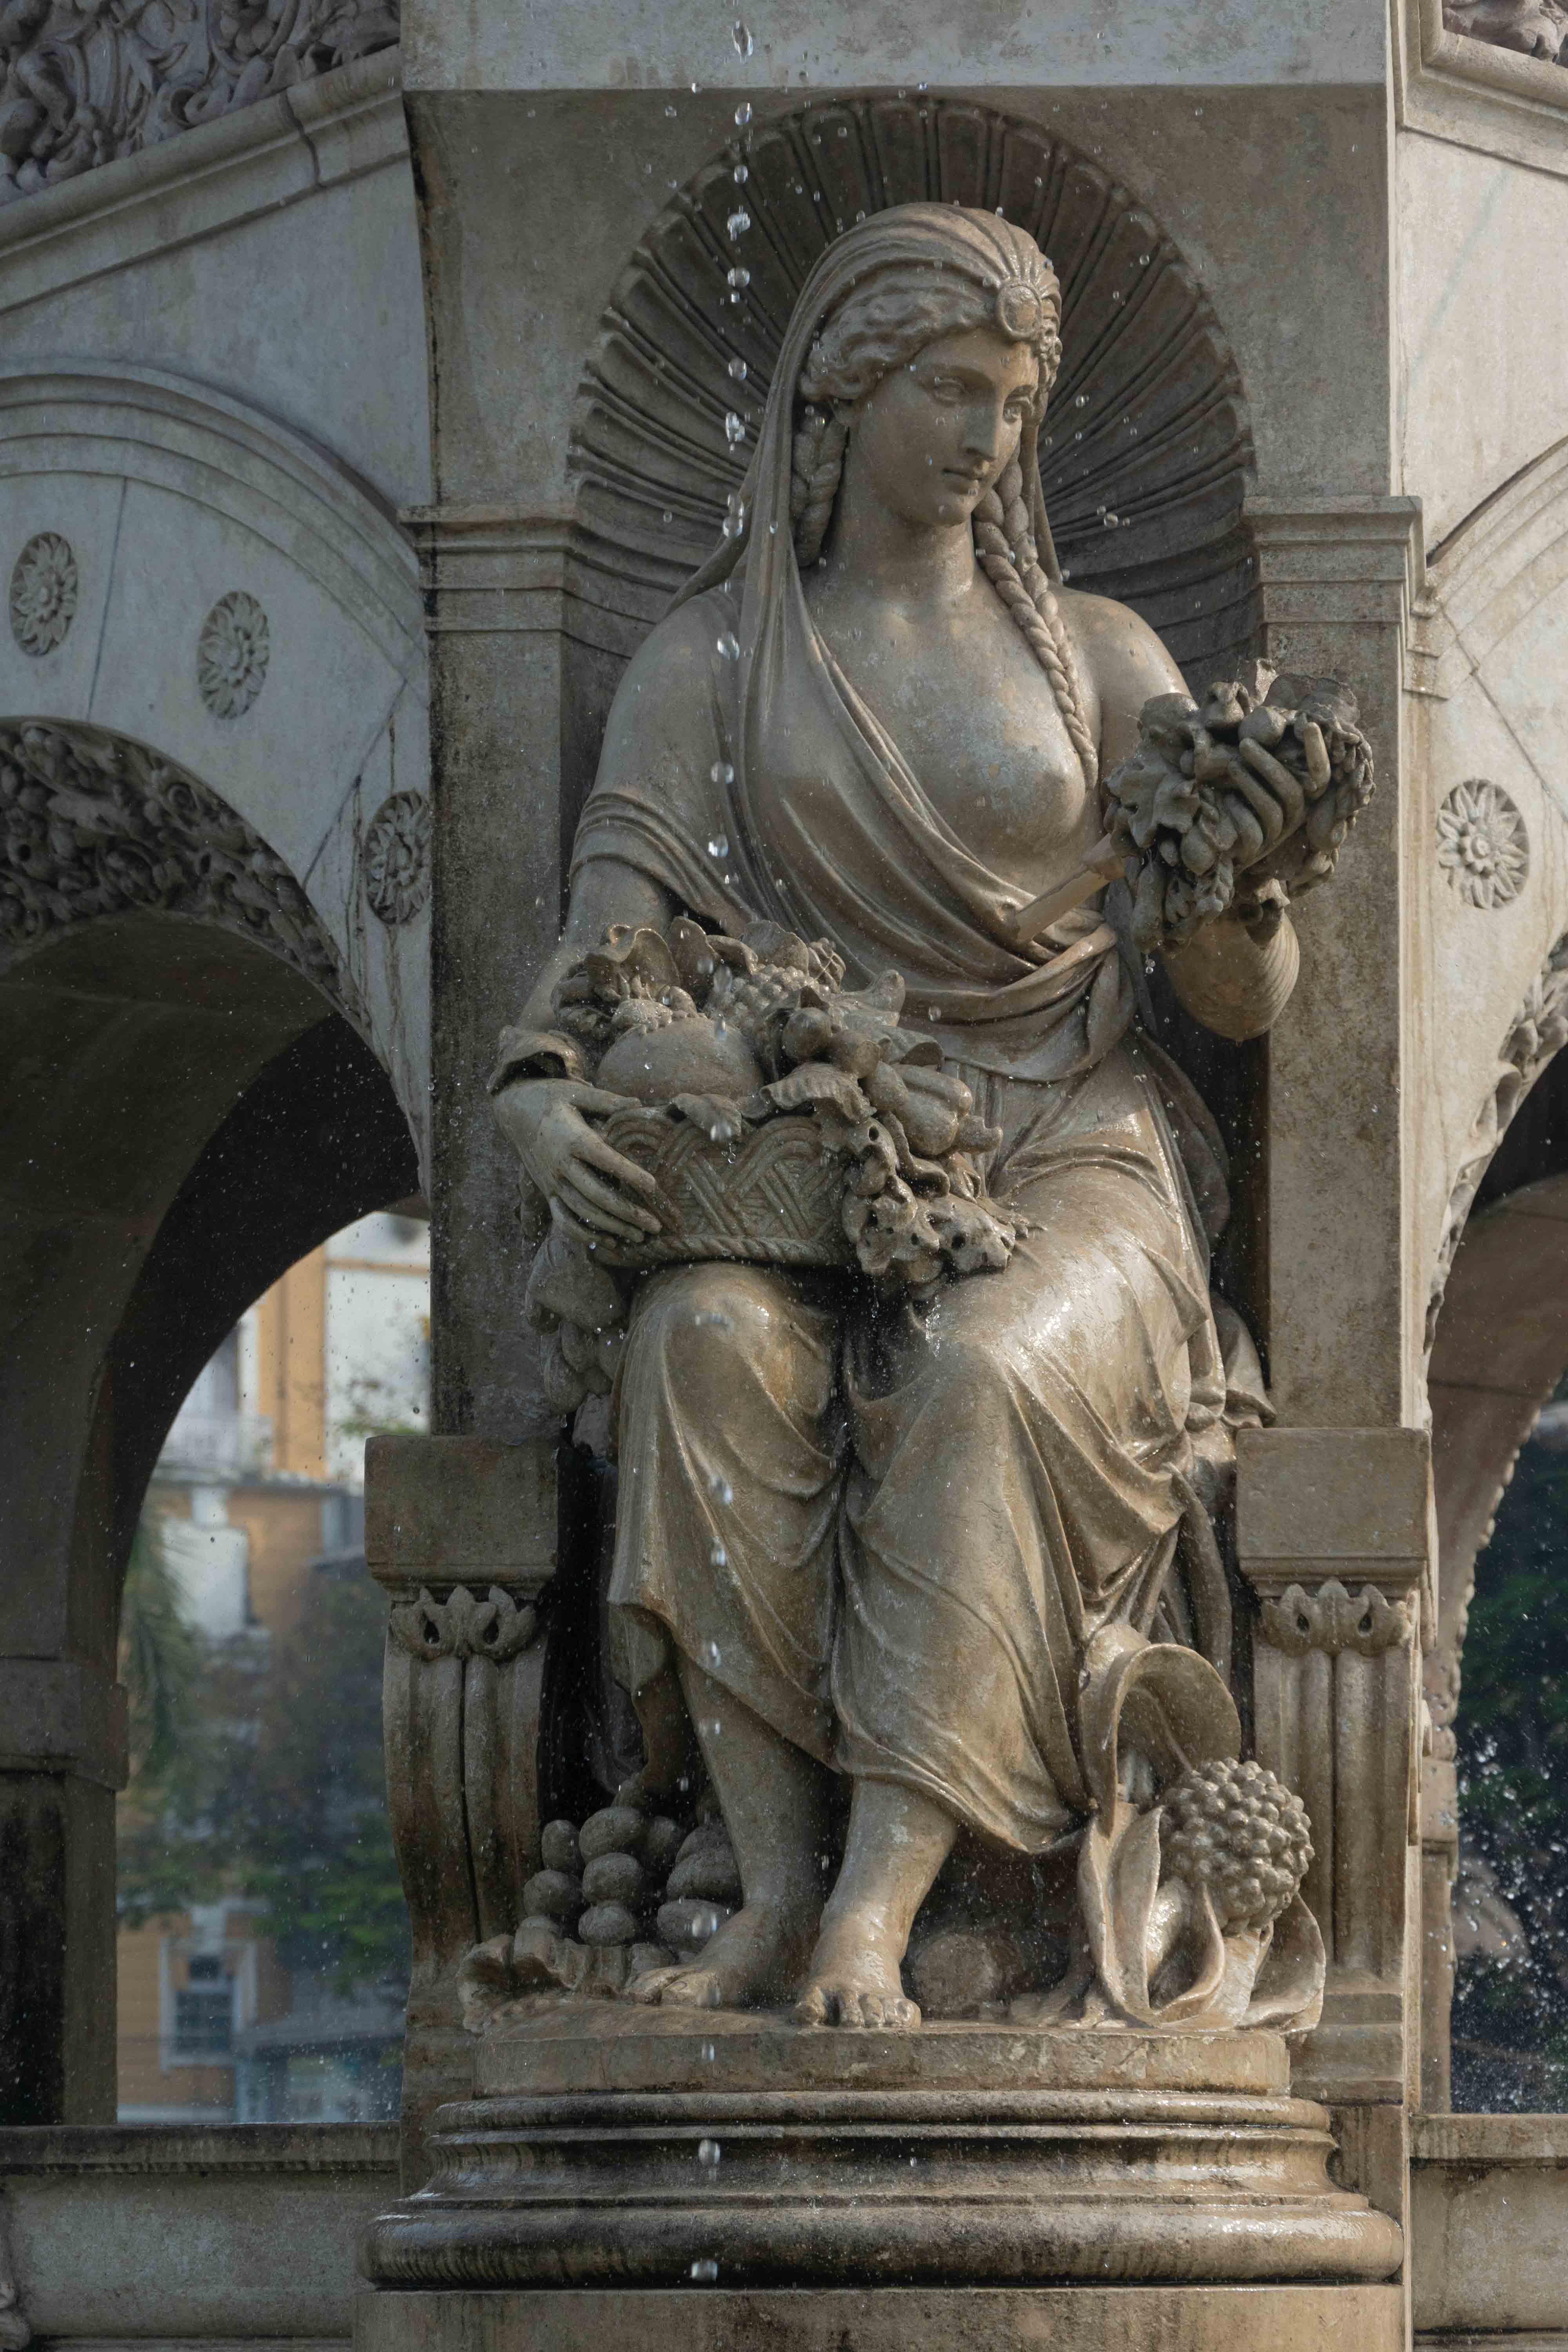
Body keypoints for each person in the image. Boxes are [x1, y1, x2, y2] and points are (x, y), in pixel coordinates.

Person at [492, 205, 1298, 2027]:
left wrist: (1244, 888)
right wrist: (538, 1103)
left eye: (1013, 402)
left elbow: (1243, 996)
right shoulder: (706, 668)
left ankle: (880, 1906)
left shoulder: (1101, 658)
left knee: (979, 1370)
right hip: (809, 1166)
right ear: (840, 396)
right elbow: (604, 961)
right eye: (950, 390)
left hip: (1071, 1146)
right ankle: (772, 1894)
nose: (988, 437)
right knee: (699, 1343)